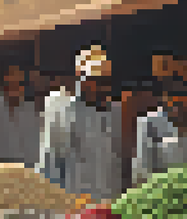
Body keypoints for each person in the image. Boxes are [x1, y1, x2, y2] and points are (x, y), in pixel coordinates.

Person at [39, 47, 125, 205]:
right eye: (96, 81)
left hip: (109, 200)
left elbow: (116, 159)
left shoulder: (115, 111)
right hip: (76, 202)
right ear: (82, 79)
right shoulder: (61, 109)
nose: (101, 88)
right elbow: (50, 160)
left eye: (106, 82)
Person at [133, 79, 187, 185]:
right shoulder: (149, 123)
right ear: (164, 99)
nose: (176, 105)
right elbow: (143, 170)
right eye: (172, 97)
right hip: (159, 191)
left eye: (183, 97)